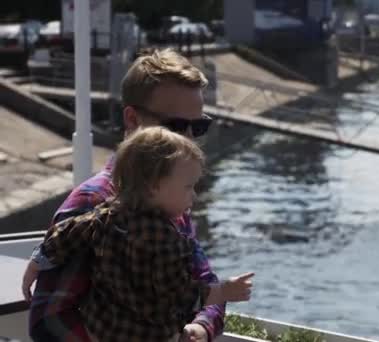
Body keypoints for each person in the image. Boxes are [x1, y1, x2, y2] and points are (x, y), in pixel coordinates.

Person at [22, 48, 226, 342]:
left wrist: (202, 328)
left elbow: (205, 281)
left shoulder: (173, 193)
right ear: (131, 119)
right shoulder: (92, 203)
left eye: (199, 126)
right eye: (177, 126)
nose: (189, 139)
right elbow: (49, 322)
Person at [22, 127, 254, 341]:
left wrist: (36, 263)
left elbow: (66, 235)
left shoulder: (107, 213)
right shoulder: (163, 239)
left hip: (101, 328)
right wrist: (222, 291)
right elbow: (176, 295)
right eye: (188, 187)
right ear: (154, 185)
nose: (193, 195)